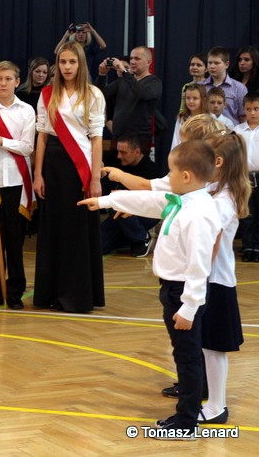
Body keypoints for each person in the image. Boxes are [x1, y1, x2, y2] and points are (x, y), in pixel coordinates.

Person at [80, 139, 221, 437]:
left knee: (187, 356)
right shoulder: (183, 200)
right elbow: (150, 201)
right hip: (172, 289)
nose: (167, 177)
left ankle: (186, 421)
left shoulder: (198, 214)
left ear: (186, 176)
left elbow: (199, 267)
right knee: (184, 353)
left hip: (182, 293)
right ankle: (187, 412)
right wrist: (106, 202)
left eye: (171, 172)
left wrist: (189, 307)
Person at [32, 41, 105, 313]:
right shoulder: (47, 94)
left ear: (80, 64)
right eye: (63, 62)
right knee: (54, 229)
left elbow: (96, 138)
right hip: (52, 167)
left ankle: (77, 296)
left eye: (72, 62)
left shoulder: (93, 94)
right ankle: (51, 293)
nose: (67, 67)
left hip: (80, 168)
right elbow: (42, 135)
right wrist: (37, 174)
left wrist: (95, 178)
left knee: (77, 230)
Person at [195, 131, 251, 424]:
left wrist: (196, 275)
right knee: (207, 345)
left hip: (215, 280)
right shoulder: (216, 189)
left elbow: (212, 242)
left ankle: (217, 406)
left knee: (214, 347)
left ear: (218, 162)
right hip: (213, 279)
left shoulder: (224, 199)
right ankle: (212, 402)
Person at [0, 62, 35, 310]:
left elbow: (27, 147)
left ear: (17, 81)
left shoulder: (26, 111)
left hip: (16, 183)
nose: (3, 83)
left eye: (8, 78)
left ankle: (15, 292)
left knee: (14, 241)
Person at [100, 133, 159, 257]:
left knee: (119, 202)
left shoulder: (151, 170)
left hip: (146, 213)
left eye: (123, 152)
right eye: (118, 151)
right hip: (120, 214)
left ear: (137, 152)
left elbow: (153, 201)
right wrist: (103, 176)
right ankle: (132, 237)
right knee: (98, 246)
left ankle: (141, 237)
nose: (119, 156)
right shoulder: (117, 161)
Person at [96, 46, 162, 151]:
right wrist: (102, 75)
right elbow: (100, 95)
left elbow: (142, 93)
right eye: (131, 58)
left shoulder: (154, 82)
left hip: (138, 141)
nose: (133, 62)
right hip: (118, 139)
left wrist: (124, 72)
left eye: (137, 59)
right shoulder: (123, 81)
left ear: (148, 62)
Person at [234, 92, 259, 262]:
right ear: (244, 109)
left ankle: (258, 247)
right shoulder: (238, 130)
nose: (253, 113)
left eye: (256, 109)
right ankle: (248, 247)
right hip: (244, 176)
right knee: (247, 213)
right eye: (249, 109)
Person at [202, 46, 248, 126]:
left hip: (231, 131)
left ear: (226, 64)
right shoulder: (200, 86)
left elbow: (243, 117)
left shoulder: (240, 88)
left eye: (216, 63)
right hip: (205, 131)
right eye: (210, 63)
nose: (212, 66)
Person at [170, 83, 210, 150]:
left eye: (195, 98)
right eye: (188, 98)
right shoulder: (182, 118)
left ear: (203, 99)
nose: (191, 101)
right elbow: (176, 141)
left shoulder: (210, 118)